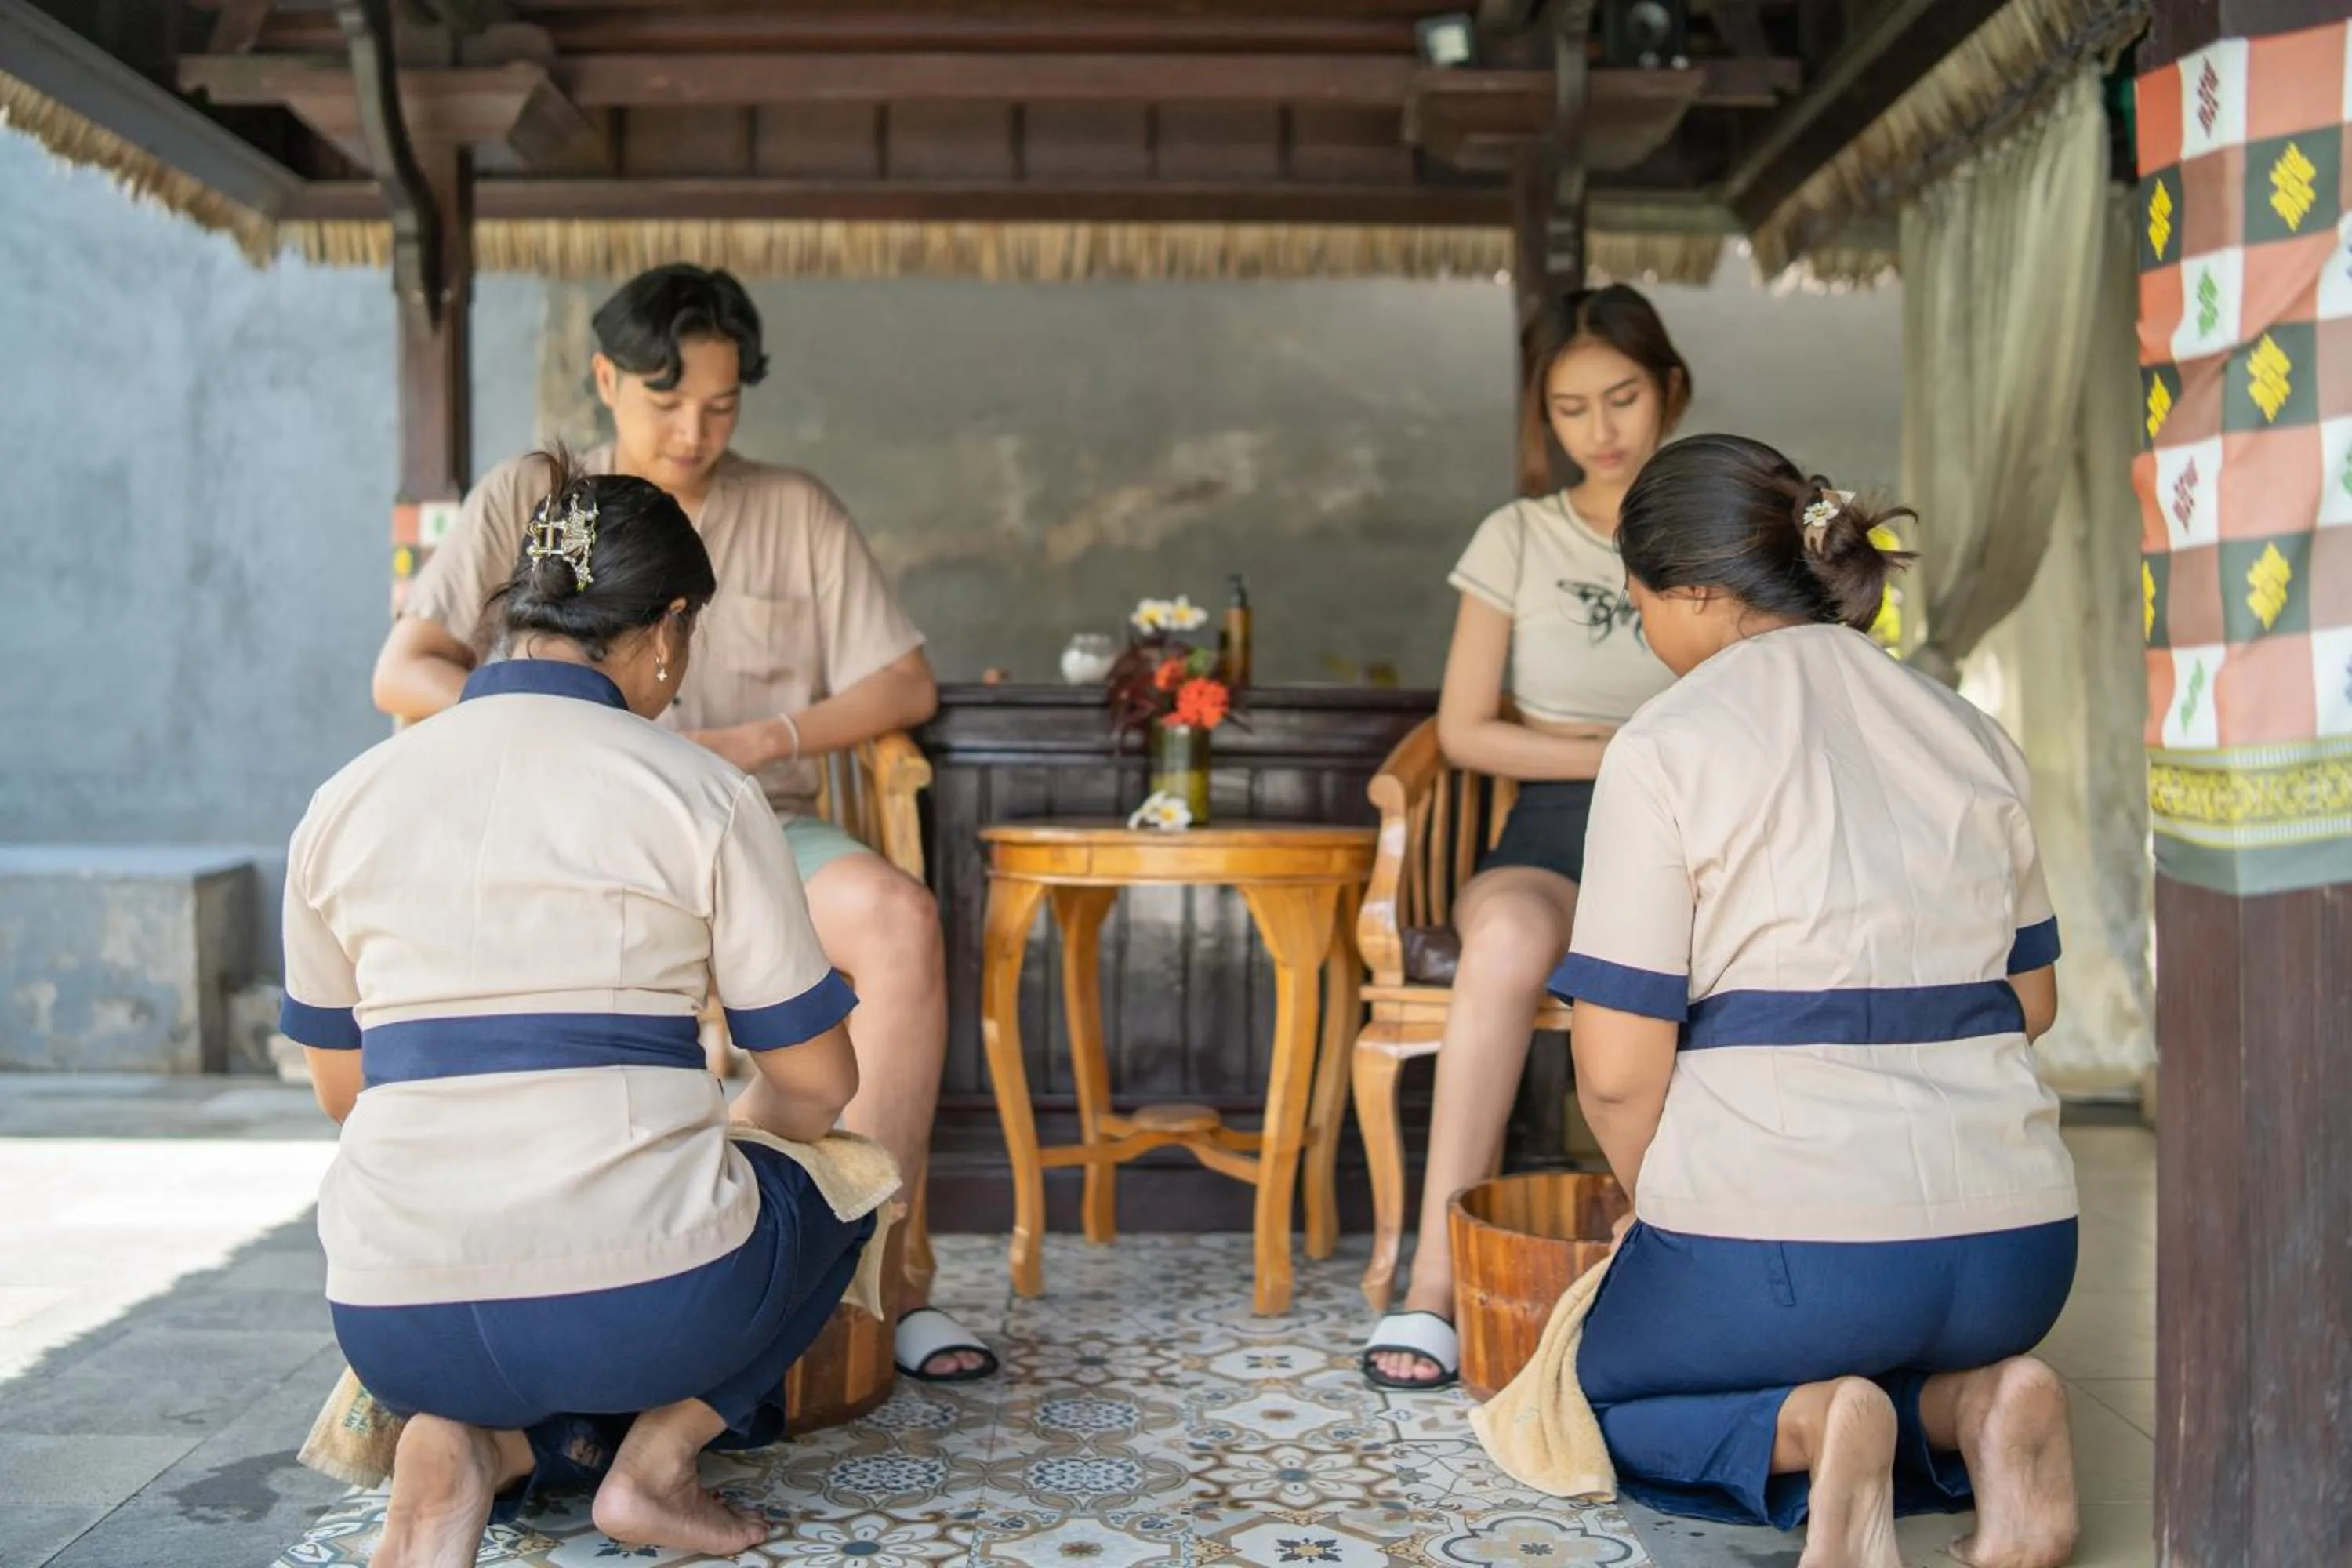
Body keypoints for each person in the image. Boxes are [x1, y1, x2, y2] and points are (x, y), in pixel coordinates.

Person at [371, 264, 991, 1384]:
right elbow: (404, 672)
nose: (693, 431)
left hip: (759, 826)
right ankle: (545, 1272)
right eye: (664, 404)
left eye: (719, 406)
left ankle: (885, 1289)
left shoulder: (792, 508)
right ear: (606, 379)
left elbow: (905, 685)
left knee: (898, 921)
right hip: (562, 837)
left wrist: (759, 743)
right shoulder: (537, 496)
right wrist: (583, 732)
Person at [282, 457, 889, 1564]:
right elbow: (820, 1084)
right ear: (666, 630)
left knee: (528, 1276)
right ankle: (653, 1468)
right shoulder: (699, 792)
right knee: (842, 1182)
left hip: (390, 1324)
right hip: (649, 1312)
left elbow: (345, 1095)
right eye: (687, 639)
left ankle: (466, 1439)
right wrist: (722, 1137)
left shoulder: (343, 802)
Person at [1557, 434, 2079, 1568]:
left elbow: (1613, 1067)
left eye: (1637, 600)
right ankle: (1987, 1402)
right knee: (1878, 1332)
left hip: (1786, 1264)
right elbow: (2031, 1004)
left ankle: (1816, 1424)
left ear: (1692, 590)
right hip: (2020, 1256)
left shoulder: (1665, 748)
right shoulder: (1970, 731)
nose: (1645, 628)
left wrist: (1675, 1204)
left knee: (1595, 1388)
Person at [1363, 285, 1690, 1388]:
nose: (1601, 430)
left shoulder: (1719, 532)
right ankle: (1432, 1290)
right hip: (1553, 831)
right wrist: (1614, 751)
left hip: (1696, 839)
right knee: (1501, 942)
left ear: (1671, 391)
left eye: (1624, 398)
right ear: (1543, 420)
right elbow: (1465, 730)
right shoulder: (1518, 535)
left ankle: (1689, 1270)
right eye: (1571, 409)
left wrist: (1627, 753)